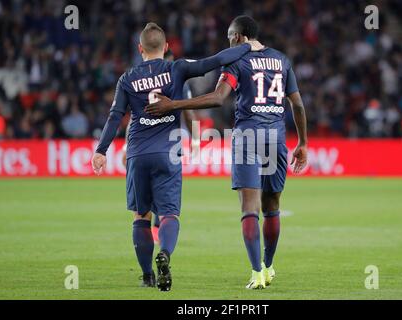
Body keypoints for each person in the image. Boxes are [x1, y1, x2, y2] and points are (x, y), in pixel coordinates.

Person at [91, 22, 260, 291]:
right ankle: (165, 254)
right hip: (167, 152)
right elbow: (213, 61)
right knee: (169, 215)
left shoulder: (127, 78)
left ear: (140, 49)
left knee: (141, 216)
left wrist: (101, 150)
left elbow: (114, 117)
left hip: (137, 153)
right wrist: (246, 47)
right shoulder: (176, 68)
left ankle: (147, 276)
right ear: (166, 47)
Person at [146, 16, 308, 289]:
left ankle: (256, 272)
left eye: (231, 37)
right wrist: (302, 142)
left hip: (247, 136)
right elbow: (298, 106)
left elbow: (217, 98)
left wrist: (173, 104)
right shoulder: (282, 60)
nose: (229, 42)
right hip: (275, 137)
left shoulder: (237, 61)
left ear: (241, 36)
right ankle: (268, 267)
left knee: (249, 209)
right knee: (272, 207)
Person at [121, 50, 200, 245]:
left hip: (141, 147)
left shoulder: (139, 78)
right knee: (166, 196)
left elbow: (132, 118)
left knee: (142, 208)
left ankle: (148, 267)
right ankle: (162, 239)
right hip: (167, 146)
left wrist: (125, 146)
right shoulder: (177, 77)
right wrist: (196, 140)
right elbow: (189, 113)